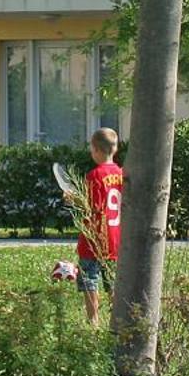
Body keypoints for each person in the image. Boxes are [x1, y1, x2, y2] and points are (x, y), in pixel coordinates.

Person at [75, 127, 124, 324]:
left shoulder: (94, 175)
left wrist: (75, 199)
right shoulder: (121, 174)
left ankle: (93, 321)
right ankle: (119, 320)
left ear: (95, 149)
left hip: (94, 240)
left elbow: (93, 206)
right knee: (113, 282)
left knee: (89, 281)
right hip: (116, 239)